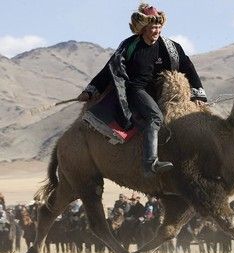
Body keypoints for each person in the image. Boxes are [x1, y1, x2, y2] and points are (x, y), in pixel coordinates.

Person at [78, 3, 207, 177]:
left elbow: (187, 67)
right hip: (134, 90)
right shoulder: (129, 46)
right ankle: (150, 164)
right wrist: (91, 91)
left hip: (159, 92)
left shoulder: (171, 48)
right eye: (153, 27)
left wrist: (197, 92)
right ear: (143, 29)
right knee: (155, 117)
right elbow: (110, 69)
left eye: (159, 27)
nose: (157, 31)